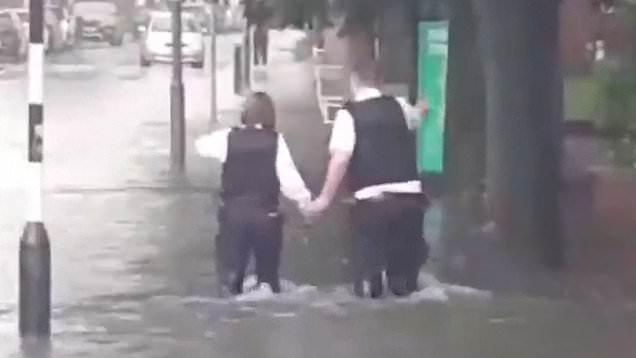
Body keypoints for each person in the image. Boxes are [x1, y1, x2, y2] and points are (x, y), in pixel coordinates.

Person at [305, 60, 430, 299]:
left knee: (367, 286)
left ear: (354, 82)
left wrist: (323, 199)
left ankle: (372, 292)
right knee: (405, 287)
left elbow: (341, 159)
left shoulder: (348, 115)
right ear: (381, 82)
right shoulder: (400, 106)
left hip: (373, 206)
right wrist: (423, 108)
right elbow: (416, 118)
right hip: (411, 203)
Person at [196, 92, 311, 296]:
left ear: (245, 114)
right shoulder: (276, 141)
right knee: (268, 283)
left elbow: (200, 146)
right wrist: (306, 204)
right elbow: (290, 182)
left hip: (233, 218)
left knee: (230, 283)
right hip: (267, 218)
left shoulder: (227, 138)